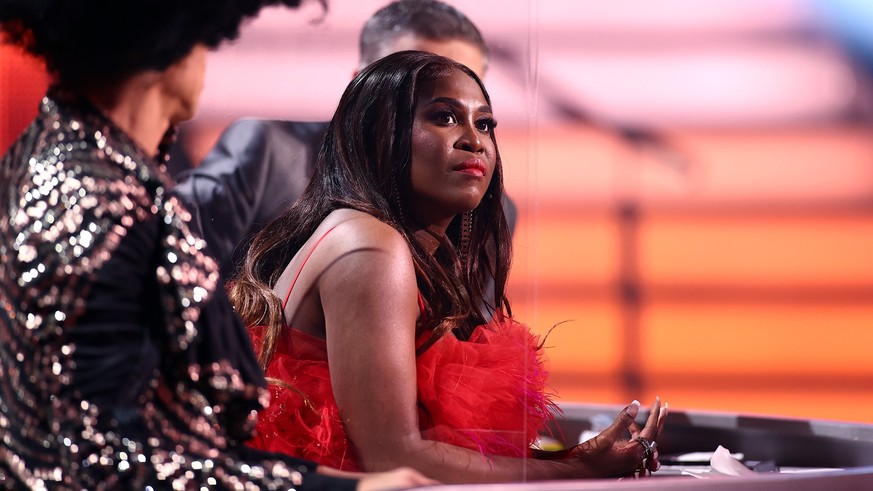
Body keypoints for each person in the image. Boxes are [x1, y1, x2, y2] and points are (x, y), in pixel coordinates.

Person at [0, 1, 433, 489]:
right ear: (173, 49)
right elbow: (100, 456)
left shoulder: (77, 168)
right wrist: (338, 487)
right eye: (205, 42)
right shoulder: (92, 196)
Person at [230, 50, 667, 483]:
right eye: (444, 117)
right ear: (379, 135)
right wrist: (578, 469)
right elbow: (392, 458)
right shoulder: (370, 245)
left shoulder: (394, 245)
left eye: (485, 124)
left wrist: (571, 458)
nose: (474, 140)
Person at [174, 0, 514, 278]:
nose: (468, 137)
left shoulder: (490, 209)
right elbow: (165, 256)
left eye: (464, 86)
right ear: (361, 87)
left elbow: (474, 344)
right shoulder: (269, 151)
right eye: (409, 87)